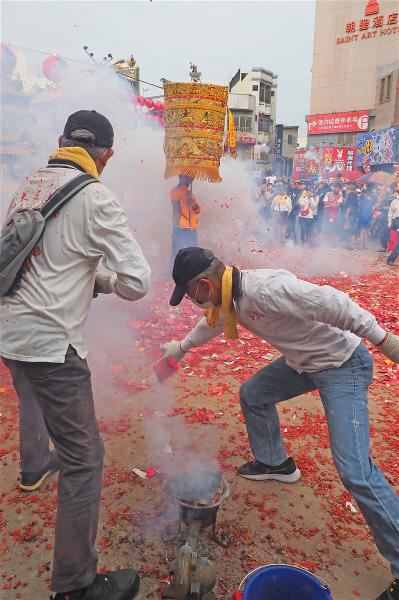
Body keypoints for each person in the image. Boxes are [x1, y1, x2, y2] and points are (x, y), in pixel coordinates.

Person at [162, 246, 399, 600]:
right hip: (303, 362)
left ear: (204, 284)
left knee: (355, 471)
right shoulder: (230, 297)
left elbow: (335, 302)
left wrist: (385, 341)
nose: (194, 302)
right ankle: (276, 462)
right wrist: (180, 348)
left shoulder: (265, 289)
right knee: (253, 393)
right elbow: (209, 324)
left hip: (342, 364)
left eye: (191, 294)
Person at [0, 110, 151, 600]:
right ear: (105, 157)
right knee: (85, 458)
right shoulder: (96, 195)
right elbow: (136, 282)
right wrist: (98, 277)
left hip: (9, 336)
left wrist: (80, 271)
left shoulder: (27, 184)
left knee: (33, 404)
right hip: (51, 345)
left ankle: (31, 470)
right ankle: (75, 586)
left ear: (61, 140)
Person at [170, 175, 201, 260]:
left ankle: (189, 272)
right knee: (177, 253)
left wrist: (192, 202)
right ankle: (172, 272)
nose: (191, 181)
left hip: (191, 228)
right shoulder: (176, 191)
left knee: (192, 253)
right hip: (181, 228)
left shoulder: (189, 193)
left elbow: (198, 210)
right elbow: (176, 208)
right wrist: (186, 199)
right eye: (190, 179)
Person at [358, 185, 376, 249]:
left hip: (363, 215)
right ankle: (365, 246)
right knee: (366, 231)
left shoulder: (362, 197)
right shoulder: (371, 199)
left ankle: (360, 246)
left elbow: (359, 206)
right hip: (369, 216)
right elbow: (373, 207)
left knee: (362, 231)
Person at [344, 183, 359, 250]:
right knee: (351, 228)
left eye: (347, 189)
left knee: (350, 228)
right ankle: (350, 244)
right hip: (354, 213)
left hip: (351, 214)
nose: (346, 191)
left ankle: (350, 245)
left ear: (350, 189)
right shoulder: (355, 195)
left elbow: (350, 205)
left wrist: (347, 213)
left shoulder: (351, 194)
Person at [387, 190, 399, 265]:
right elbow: (390, 213)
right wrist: (389, 222)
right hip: (397, 221)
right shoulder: (394, 202)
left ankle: (390, 259)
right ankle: (390, 259)